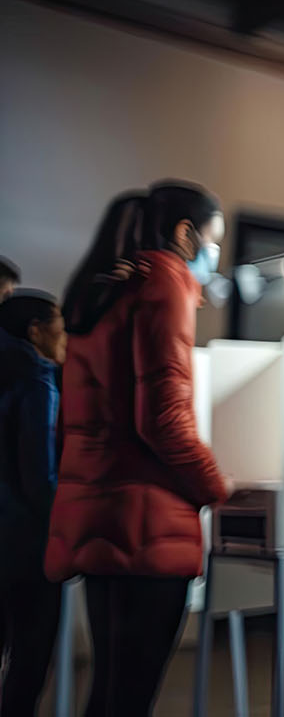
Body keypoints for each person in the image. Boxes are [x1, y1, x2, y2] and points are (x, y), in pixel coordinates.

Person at [46, 183, 234, 716]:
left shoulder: (101, 291)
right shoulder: (166, 283)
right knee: (131, 694)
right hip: (146, 522)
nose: (214, 256)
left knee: (109, 689)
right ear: (185, 233)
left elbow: (71, 422)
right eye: (213, 240)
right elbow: (164, 420)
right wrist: (214, 488)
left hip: (96, 514)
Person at [0, 292, 66, 716]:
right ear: (35, 330)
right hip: (25, 544)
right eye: (59, 326)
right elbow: (39, 476)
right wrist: (65, 529)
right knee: (29, 659)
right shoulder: (37, 381)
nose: (66, 337)